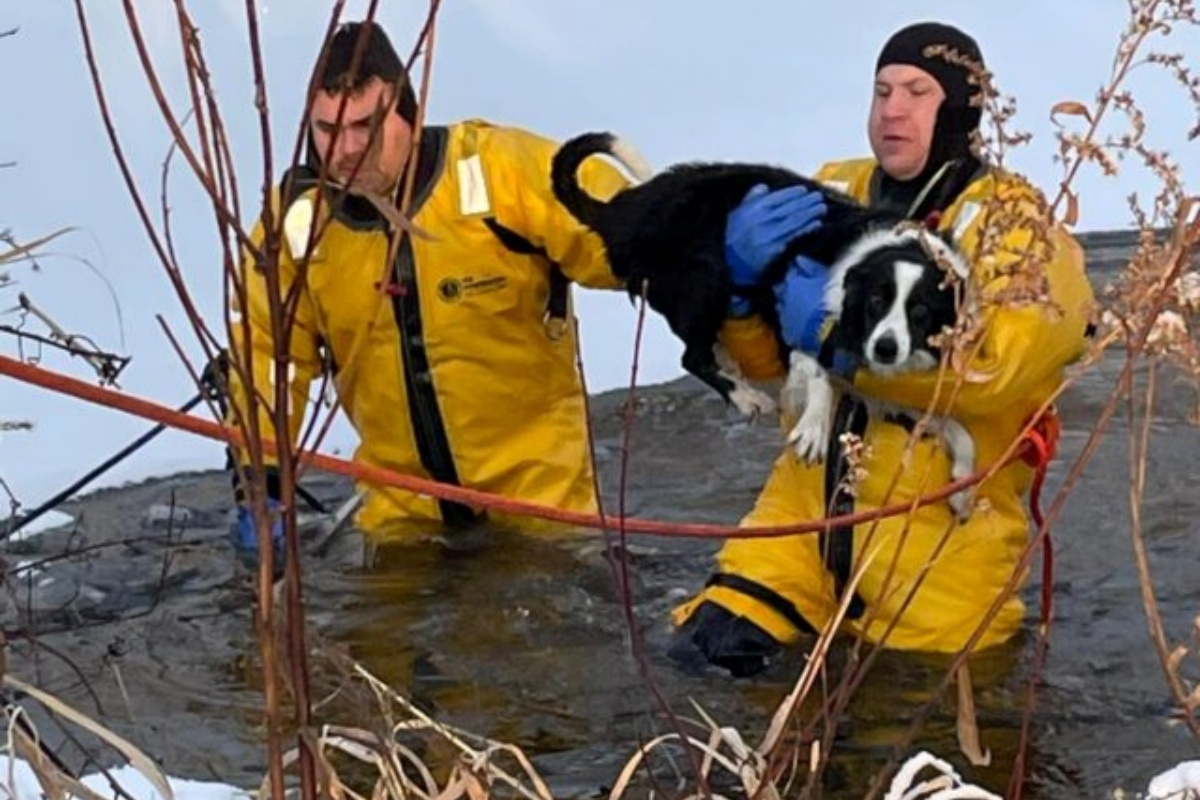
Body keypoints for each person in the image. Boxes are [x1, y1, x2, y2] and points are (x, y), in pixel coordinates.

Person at [670, 21, 1097, 677]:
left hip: (937, 551)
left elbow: (993, 370)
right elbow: (774, 370)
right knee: (703, 664)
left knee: (909, 740)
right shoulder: (825, 193)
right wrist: (738, 297)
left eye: (917, 92)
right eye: (881, 90)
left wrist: (840, 344)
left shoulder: (1017, 225)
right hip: (801, 524)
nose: (891, 109)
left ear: (960, 109)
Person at [223, 20, 632, 566]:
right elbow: (267, 356)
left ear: (407, 112)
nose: (343, 151)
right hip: (402, 526)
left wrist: (717, 245)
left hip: (545, 519)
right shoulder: (298, 226)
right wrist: (262, 482)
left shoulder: (499, 172)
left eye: (364, 126)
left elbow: (632, 232)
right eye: (326, 130)